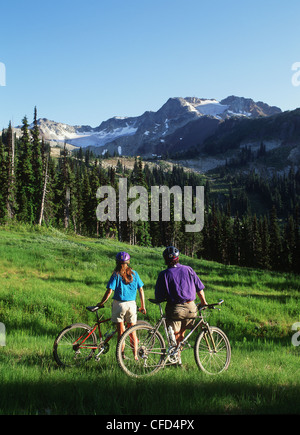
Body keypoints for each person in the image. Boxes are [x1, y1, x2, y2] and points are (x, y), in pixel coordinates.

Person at [155, 246, 208, 346]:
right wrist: (204, 302)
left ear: (165, 260)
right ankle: (178, 355)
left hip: (175, 309)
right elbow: (200, 290)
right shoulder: (188, 269)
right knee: (182, 332)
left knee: (174, 332)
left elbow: (159, 296)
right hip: (191, 309)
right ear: (178, 258)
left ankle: (174, 353)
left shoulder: (164, 274)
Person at [97, 251, 146, 346]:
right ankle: (135, 357)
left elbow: (109, 291)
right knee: (133, 333)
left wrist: (101, 303)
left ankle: (121, 355)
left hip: (119, 305)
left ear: (117, 262)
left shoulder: (116, 274)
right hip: (131, 305)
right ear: (128, 262)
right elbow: (141, 290)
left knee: (121, 334)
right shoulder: (135, 274)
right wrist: (143, 306)